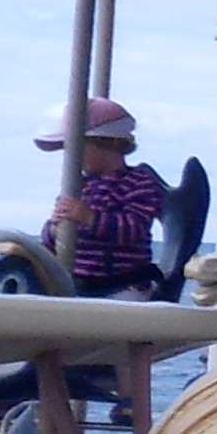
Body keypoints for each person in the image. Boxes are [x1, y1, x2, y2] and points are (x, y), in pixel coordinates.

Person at [39, 98, 170, 298]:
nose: (71, 157)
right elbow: (50, 241)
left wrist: (90, 218)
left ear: (111, 143)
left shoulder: (138, 183)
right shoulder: (78, 186)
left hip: (122, 284)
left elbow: (135, 229)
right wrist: (54, 229)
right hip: (81, 285)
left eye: (79, 148)